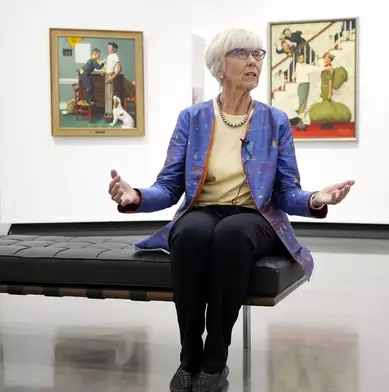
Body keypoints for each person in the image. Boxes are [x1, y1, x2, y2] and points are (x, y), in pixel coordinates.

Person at [107, 28, 354, 392]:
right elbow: (170, 185)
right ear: (220, 67)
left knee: (231, 234)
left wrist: (316, 198)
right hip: (202, 210)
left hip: (255, 217)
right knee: (190, 234)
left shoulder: (275, 121)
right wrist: (137, 196)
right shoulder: (192, 118)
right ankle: (189, 356)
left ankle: (215, 359)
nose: (254, 61)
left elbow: (285, 192)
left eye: (259, 54)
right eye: (243, 53)